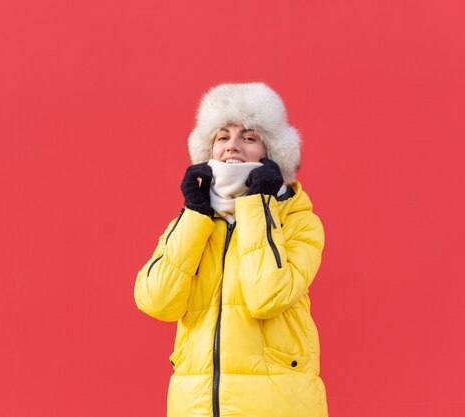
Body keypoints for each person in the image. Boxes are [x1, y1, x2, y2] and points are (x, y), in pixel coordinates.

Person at [134, 82, 328, 417]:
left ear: (271, 154)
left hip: (277, 406)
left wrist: (256, 204)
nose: (232, 146)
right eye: (222, 137)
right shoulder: (195, 221)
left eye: (248, 137)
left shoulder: (298, 221)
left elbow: (268, 296)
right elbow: (157, 301)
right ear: (209, 151)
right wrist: (195, 215)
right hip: (195, 406)